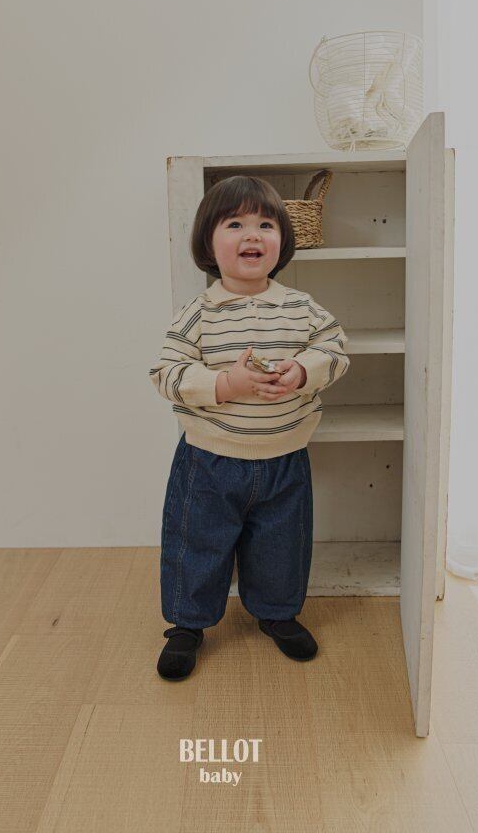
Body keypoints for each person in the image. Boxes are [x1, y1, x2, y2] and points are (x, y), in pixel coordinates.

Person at [148, 175, 350, 680]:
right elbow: (166, 374)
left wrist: (302, 371)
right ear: (208, 243)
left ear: (283, 240)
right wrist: (225, 383)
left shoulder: (301, 308)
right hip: (208, 461)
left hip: (285, 458)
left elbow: (334, 350)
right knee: (197, 544)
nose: (252, 235)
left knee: (282, 544)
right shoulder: (198, 314)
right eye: (234, 224)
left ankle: (277, 614)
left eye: (265, 225)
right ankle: (187, 625)